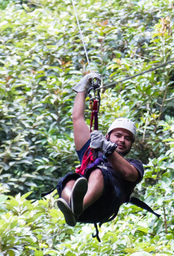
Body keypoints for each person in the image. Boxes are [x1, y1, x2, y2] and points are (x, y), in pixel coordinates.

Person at [55, 73, 144, 227]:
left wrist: (108, 150)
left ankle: (79, 205)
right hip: (82, 212)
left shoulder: (133, 164)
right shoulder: (92, 150)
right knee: (70, 179)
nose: (122, 140)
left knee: (98, 172)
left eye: (127, 138)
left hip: (105, 205)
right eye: (118, 135)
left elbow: (128, 173)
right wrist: (82, 90)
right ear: (108, 136)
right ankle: (71, 204)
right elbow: (77, 118)